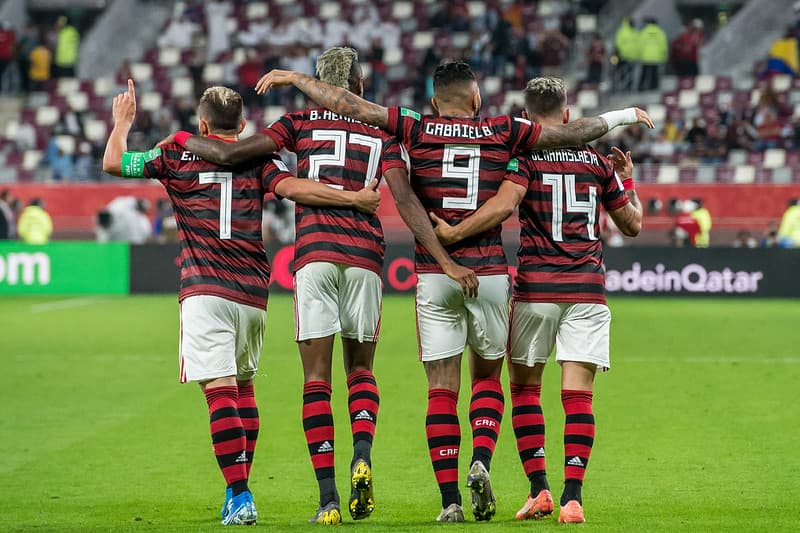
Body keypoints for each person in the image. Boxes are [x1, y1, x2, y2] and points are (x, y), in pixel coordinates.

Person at [253, 61, 653, 522]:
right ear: (477, 99)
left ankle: (450, 503)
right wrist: (623, 115)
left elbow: (350, 107)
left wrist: (295, 79)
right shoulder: (503, 131)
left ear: (433, 100)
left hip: (436, 274)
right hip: (491, 273)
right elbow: (572, 135)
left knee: (441, 390)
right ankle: (485, 460)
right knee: (488, 381)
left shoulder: (415, 126)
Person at [163, 48, 477, 525]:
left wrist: (188, 138)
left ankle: (328, 499)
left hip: (314, 255)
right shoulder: (383, 130)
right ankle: (362, 454)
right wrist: (445, 260)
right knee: (361, 371)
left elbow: (234, 153)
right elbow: (407, 201)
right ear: (359, 85)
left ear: (319, 84)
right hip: (366, 260)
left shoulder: (298, 123)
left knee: (315, 380)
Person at [101, 80, 382, 526]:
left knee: (219, 392)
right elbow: (294, 188)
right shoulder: (260, 158)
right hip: (252, 294)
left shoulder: (174, 154)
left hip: (205, 288)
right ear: (245, 124)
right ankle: (239, 491)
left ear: (202, 123)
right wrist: (352, 199)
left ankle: (238, 493)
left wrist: (122, 123)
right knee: (244, 390)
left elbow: (114, 162)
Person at [429, 77, 643, 524]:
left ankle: (540, 490)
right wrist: (628, 180)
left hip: (536, 290)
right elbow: (632, 224)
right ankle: (572, 498)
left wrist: (453, 233)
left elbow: (505, 205)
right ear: (567, 116)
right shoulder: (598, 162)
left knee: (526, 390)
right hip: (587, 290)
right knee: (578, 397)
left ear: (528, 118)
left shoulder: (523, 159)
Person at [638, 18, 668, 91]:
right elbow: (663, 46)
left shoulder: (644, 32)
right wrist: (664, 56)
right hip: (656, 57)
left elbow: (640, 45)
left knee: (644, 73)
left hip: (645, 57)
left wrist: (640, 54)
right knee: (654, 73)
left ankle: (641, 87)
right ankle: (653, 87)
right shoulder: (660, 32)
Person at [613, 18, 639, 91]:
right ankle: (621, 86)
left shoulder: (635, 32)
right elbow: (618, 43)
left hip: (632, 57)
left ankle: (628, 87)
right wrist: (622, 53)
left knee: (631, 74)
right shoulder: (622, 32)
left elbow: (637, 44)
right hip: (623, 57)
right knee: (622, 72)